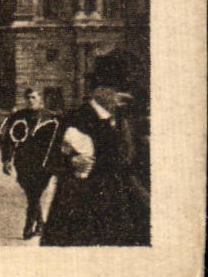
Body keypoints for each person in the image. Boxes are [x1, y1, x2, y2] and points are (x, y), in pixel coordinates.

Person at [41, 55, 149, 246]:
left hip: (119, 203)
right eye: (117, 90)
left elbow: (132, 159)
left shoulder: (123, 120)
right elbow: (50, 160)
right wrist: (71, 162)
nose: (124, 96)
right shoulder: (75, 118)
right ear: (99, 91)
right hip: (81, 204)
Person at [0, 87, 57, 239]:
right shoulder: (19, 116)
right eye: (29, 98)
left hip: (43, 162)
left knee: (35, 193)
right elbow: (9, 140)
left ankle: (28, 226)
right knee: (32, 193)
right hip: (23, 161)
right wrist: (6, 159)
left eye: (34, 98)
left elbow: (55, 141)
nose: (31, 101)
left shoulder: (49, 117)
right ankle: (40, 224)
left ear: (40, 100)